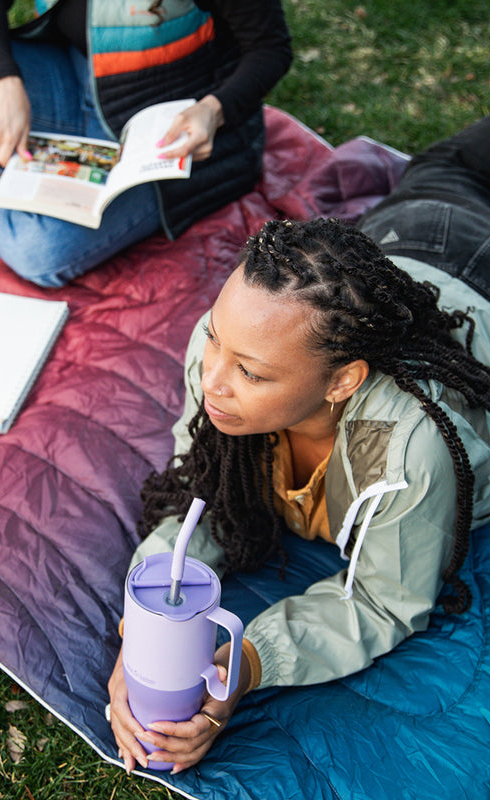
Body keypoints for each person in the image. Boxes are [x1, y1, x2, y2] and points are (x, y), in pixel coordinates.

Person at [106, 115, 490, 774]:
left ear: (343, 381)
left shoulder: (410, 451)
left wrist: (248, 662)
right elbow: (196, 484)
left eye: (249, 371)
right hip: (409, 218)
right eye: (216, 342)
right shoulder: (233, 347)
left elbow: (380, 598)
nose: (212, 380)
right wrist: (145, 635)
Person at [0, 0, 292, 287]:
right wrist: (3, 84)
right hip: (72, 75)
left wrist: (213, 112)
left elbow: (270, 49)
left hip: (170, 130)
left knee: (40, 251)